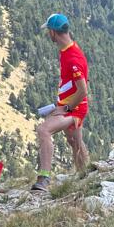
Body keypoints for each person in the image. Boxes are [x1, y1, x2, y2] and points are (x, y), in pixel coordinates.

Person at [31, 13, 89, 191]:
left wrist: (65, 108)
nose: (48, 34)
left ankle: (44, 179)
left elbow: (83, 90)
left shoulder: (73, 59)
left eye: (48, 30)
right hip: (71, 105)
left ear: (53, 32)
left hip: (74, 109)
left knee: (43, 130)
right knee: (75, 143)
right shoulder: (68, 50)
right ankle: (85, 176)